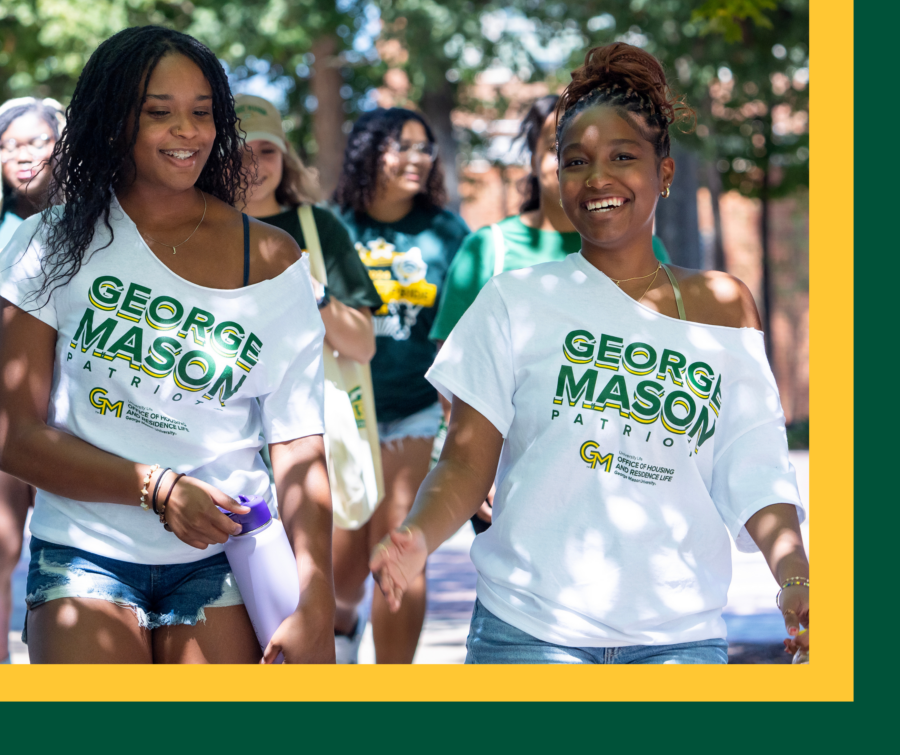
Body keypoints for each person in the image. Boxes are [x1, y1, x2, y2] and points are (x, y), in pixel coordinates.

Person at [372, 42, 809, 665]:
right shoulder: (515, 300)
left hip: (678, 640)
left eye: (622, 157)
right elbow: (467, 466)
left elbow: (754, 465)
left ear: (664, 172)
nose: (596, 177)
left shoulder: (722, 305)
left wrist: (794, 575)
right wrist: (417, 536)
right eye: (575, 160)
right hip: (525, 631)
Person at [0, 26, 334, 664]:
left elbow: (298, 443)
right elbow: (13, 438)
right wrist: (159, 488)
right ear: (117, 121)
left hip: (226, 556)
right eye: (159, 113)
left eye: (202, 113)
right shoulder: (48, 243)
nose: (187, 132)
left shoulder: (274, 261)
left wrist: (316, 595)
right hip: (83, 550)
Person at [431, 94, 671, 531]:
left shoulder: (649, 252)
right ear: (543, 159)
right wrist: (472, 461)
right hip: (512, 468)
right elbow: (457, 371)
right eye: (566, 151)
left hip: (617, 469)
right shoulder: (488, 249)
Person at [331, 107, 469, 663]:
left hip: (415, 406)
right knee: (340, 567)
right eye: (403, 146)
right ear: (370, 152)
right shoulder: (332, 224)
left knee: (398, 545)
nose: (418, 159)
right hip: (343, 408)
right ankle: (341, 634)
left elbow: (462, 330)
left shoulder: (446, 232)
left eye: (425, 148)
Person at [0, 96, 65, 664]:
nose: (22, 155)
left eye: (35, 142)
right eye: (8, 146)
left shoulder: (96, 221)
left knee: (68, 559)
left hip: (74, 417)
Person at [235, 94, 379, 366]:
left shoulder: (319, 225)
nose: (253, 165)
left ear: (285, 153)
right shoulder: (194, 228)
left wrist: (314, 292)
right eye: (239, 151)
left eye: (267, 150)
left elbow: (363, 347)